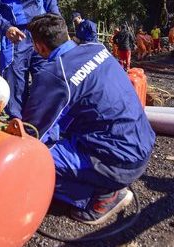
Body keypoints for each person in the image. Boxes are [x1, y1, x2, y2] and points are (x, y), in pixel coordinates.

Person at [22, 13, 155, 225]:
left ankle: (100, 197)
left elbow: (31, 133)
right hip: (142, 144)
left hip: (120, 162)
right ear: (66, 34)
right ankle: (105, 181)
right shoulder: (97, 49)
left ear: (39, 47)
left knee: (29, 160)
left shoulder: (56, 73)